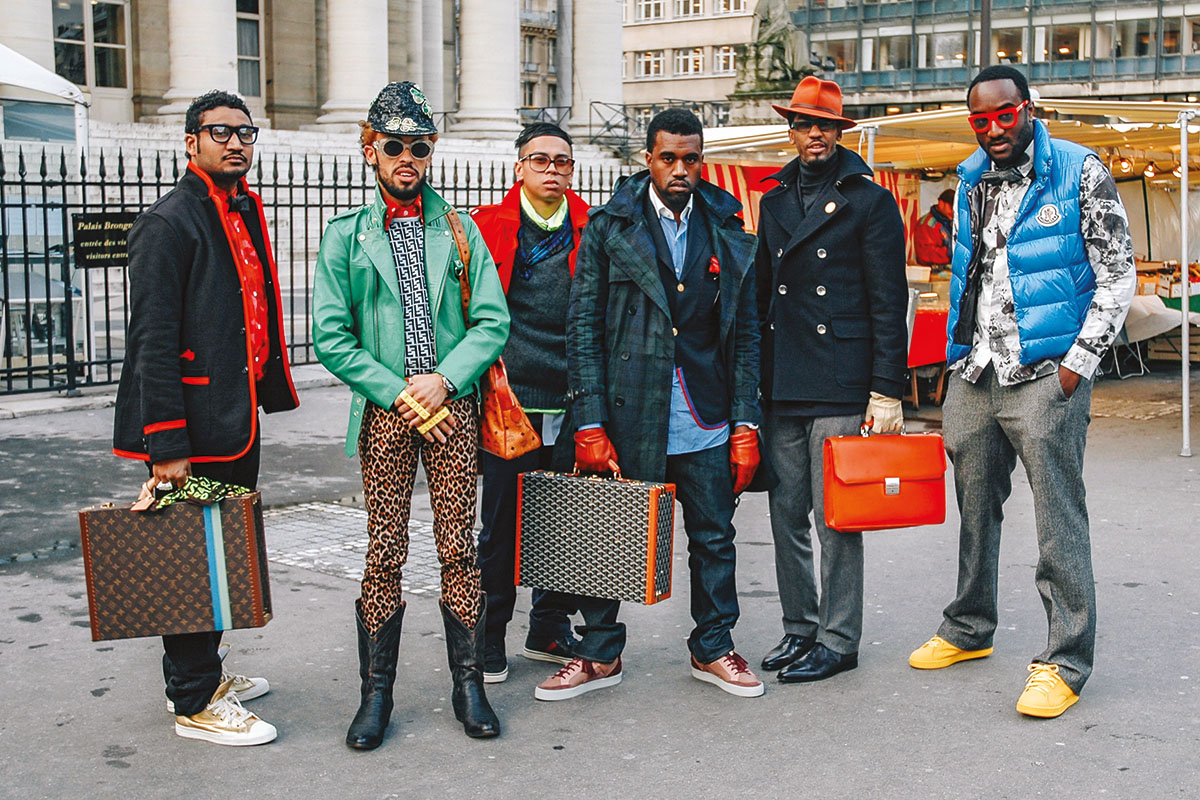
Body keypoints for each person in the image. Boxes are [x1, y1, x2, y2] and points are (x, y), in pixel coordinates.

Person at [908, 65, 1135, 718]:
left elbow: (1117, 274)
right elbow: (966, 274)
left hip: (1047, 372)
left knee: (1057, 515)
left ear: (1028, 108)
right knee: (975, 507)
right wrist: (955, 360)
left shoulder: (1078, 170)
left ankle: (1065, 660)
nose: (994, 127)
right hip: (977, 375)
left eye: (1005, 114)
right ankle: (969, 627)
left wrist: (1078, 364)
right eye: (980, 119)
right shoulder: (971, 176)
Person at [536, 108, 763, 701]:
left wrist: (746, 420)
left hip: (705, 412)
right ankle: (599, 653)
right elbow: (582, 327)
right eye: (669, 158)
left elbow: (744, 335)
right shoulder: (611, 226)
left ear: (701, 159)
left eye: (691, 158)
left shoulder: (726, 222)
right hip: (628, 406)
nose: (680, 169)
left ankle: (713, 646)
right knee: (605, 533)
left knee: (714, 535)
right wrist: (588, 421)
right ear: (649, 159)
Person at [312, 81, 510, 747]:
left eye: (419, 147)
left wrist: (444, 381)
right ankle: (376, 696)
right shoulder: (347, 237)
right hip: (386, 410)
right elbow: (331, 337)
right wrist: (400, 391)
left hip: (450, 409)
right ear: (370, 150)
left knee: (458, 548)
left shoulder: (460, 229)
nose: (408, 157)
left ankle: (469, 685)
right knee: (385, 550)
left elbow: (491, 322)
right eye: (394, 145)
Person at [113, 89, 299, 746]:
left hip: (232, 415)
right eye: (220, 131)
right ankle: (193, 701)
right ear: (190, 141)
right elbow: (152, 341)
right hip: (191, 424)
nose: (236, 142)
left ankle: (199, 672)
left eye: (246, 132)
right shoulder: (170, 222)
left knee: (216, 550)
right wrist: (164, 443)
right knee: (189, 556)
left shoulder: (236, 209)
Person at [754, 75, 908, 684]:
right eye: (803, 124)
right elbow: (763, 294)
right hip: (783, 378)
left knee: (836, 517)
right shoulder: (773, 200)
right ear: (790, 131)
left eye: (825, 125)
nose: (813, 134)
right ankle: (800, 628)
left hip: (841, 379)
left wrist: (888, 388)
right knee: (785, 515)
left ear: (840, 131)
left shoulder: (868, 200)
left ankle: (839, 639)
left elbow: (887, 299)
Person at [469, 122, 590, 683]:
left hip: (572, 396)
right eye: (540, 160)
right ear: (519, 168)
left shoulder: (595, 227)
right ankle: (488, 636)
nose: (552, 169)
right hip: (505, 399)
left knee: (566, 519)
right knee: (500, 521)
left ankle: (548, 626)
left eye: (562, 161)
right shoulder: (483, 226)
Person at [914, 189, 955, 267]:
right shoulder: (926, 224)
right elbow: (925, 254)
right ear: (941, 204)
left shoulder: (951, 221)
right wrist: (951, 252)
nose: (953, 212)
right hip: (932, 272)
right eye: (951, 208)